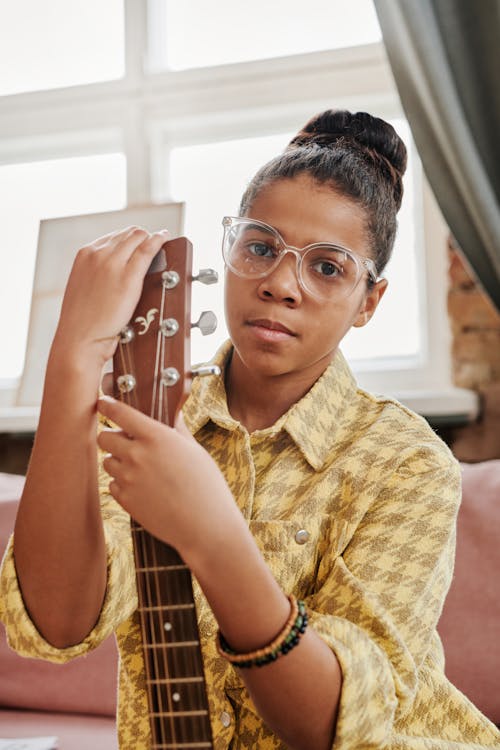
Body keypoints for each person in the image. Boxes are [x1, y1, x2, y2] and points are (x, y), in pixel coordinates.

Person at [1, 110, 499, 750]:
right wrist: (72, 357)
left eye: (327, 267)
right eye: (261, 247)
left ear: (368, 302)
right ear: (227, 255)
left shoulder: (405, 461)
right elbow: (59, 624)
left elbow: (328, 728)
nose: (281, 284)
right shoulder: (149, 416)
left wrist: (212, 533)